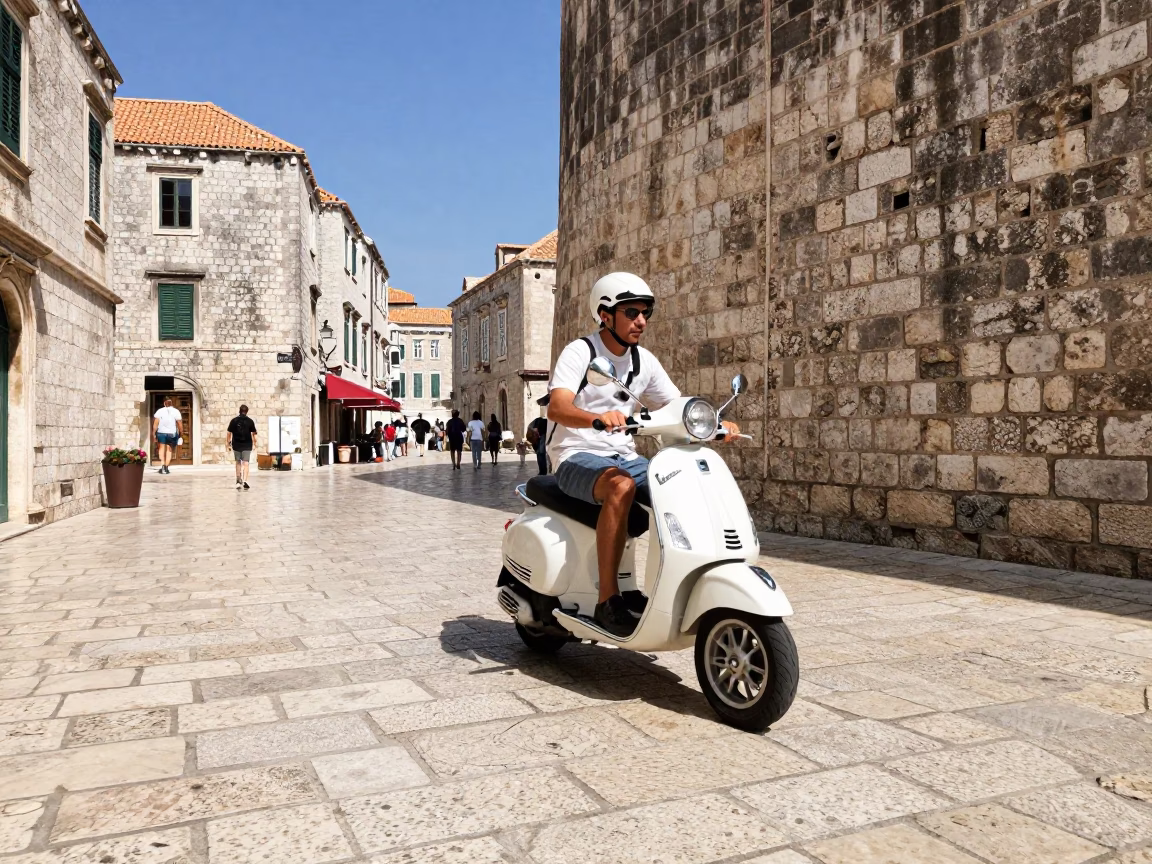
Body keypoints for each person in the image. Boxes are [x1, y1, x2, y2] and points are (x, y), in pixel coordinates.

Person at [546, 272, 739, 635]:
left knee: (680, 486)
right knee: (620, 488)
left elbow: (675, 405)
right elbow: (557, 408)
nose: (641, 321)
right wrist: (596, 419)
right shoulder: (581, 353)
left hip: (624, 457)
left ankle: (679, 585)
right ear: (605, 315)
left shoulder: (643, 361)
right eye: (632, 312)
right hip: (576, 455)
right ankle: (608, 600)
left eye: (645, 312)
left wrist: (714, 424)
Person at [226, 404, 258, 490]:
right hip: (247, 445)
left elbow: (229, 433)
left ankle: (238, 480)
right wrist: (255, 443)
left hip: (236, 444)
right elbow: (254, 433)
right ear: (247, 411)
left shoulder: (234, 421)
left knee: (238, 462)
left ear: (239, 411)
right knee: (246, 463)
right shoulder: (250, 421)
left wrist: (228, 443)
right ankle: (245, 480)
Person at [151, 398, 183, 475]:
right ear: (171, 403)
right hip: (172, 433)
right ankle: (166, 467)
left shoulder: (160, 411)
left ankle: (162, 466)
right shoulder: (176, 411)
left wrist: (153, 433)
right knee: (169, 450)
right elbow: (179, 424)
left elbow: (156, 423)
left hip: (161, 432)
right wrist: (181, 434)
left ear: (164, 403)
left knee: (161, 449)